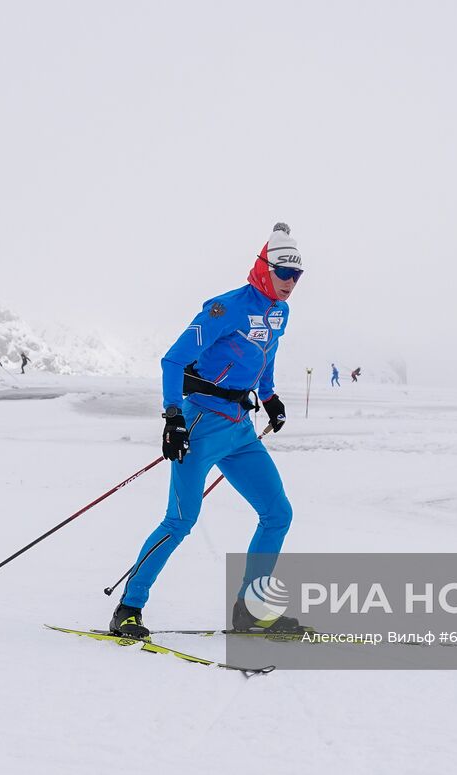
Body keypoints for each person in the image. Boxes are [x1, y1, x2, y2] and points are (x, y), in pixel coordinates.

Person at [110, 222, 303, 639]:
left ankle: (250, 613)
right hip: (200, 424)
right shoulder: (225, 307)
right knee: (180, 521)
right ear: (264, 268)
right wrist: (173, 418)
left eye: (297, 275)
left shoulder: (280, 312)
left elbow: (266, 355)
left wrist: (269, 397)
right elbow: (172, 361)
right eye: (284, 273)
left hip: (240, 429)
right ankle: (128, 608)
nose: (291, 283)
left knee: (277, 514)